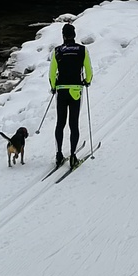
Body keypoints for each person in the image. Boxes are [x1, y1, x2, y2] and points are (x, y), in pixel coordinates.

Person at [47, 22, 93, 167]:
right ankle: (73, 156)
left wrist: (53, 87)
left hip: (61, 90)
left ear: (63, 36)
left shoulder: (57, 51)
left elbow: (51, 73)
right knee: (74, 124)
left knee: (60, 123)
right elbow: (89, 71)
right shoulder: (82, 50)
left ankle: (59, 154)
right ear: (74, 35)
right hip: (75, 91)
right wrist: (87, 81)